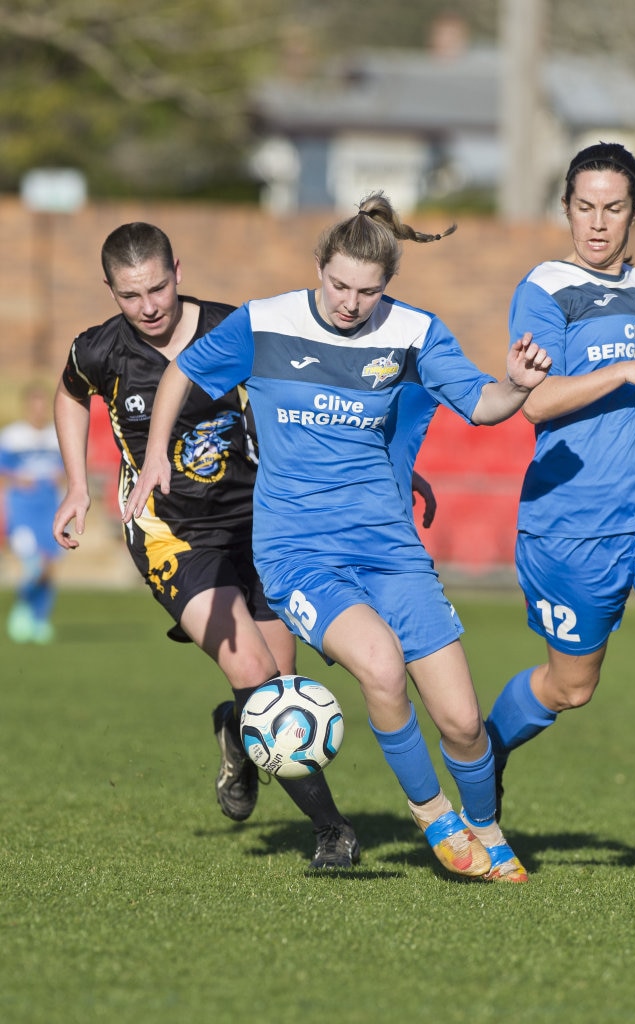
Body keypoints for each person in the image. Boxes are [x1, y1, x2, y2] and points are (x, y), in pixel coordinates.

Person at [124, 193, 552, 882]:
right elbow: (181, 372)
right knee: (380, 669)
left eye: (368, 291)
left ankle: (485, 825)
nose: (351, 302)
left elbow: (482, 405)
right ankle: (435, 817)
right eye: (339, 285)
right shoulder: (265, 323)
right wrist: (152, 460)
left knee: (464, 722)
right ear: (319, 266)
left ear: (388, 285)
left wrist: (520, 386)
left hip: (389, 547)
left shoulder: (413, 332)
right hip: (298, 552)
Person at [52, 222, 360, 870]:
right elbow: (70, 394)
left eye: (158, 287)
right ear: (109, 291)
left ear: (178, 271)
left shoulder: (234, 330)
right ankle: (333, 831)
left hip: (263, 526)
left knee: (282, 688)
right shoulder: (100, 351)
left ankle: (235, 731)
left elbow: (311, 393)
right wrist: (77, 485)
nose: (149, 306)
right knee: (258, 678)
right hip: (172, 533)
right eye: (130, 295)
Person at [483, 142, 635, 820]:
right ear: (566, 209)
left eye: (614, 209)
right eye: (585, 207)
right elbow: (535, 402)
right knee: (571, 687)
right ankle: (488, 748)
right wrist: (628, 372)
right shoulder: (543, 289)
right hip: (572, 523)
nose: (598, 224)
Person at [0, 382, 64, 643]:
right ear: (26, 406)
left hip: (49, 505)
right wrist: (18, 480)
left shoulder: (56, 435)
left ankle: (39, 619)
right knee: (33, 565)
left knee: (49, 566)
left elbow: (68, 467)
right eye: (33, 404)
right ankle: (22, 609)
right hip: (22, 506)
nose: (38, 410)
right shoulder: (12, 436)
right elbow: (3, 471)